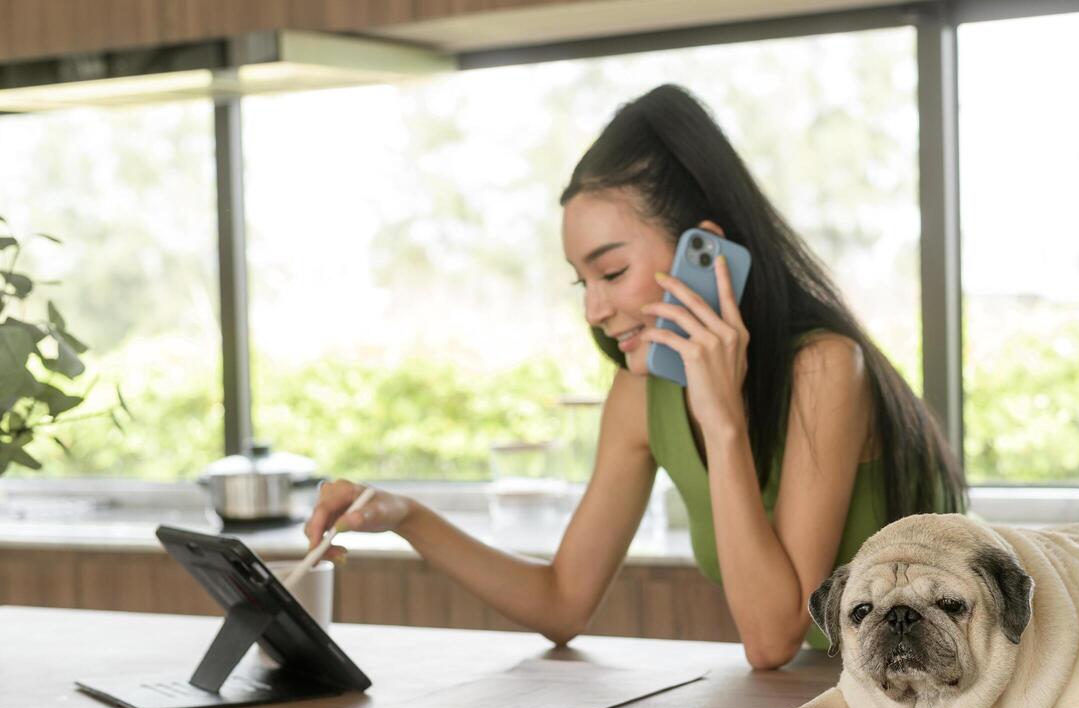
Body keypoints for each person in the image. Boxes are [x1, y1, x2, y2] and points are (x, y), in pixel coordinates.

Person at [305, 84, 966, 669]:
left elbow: (772, 639)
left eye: (612, 272)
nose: (594, 308)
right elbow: (562, 602)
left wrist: (721, 420)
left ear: (701, 251)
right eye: (582, 281)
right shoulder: (639, 398)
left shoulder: (824, 368)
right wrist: (407, 516)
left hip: (944, 703)